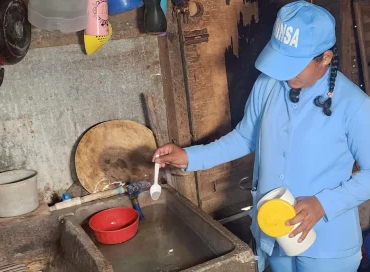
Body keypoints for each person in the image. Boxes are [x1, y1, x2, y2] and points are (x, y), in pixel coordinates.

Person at [152, 1, 370, 271]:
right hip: (274, 234)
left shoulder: (355, 105)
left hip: (328, 246)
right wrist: (189, 157)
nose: (284, 72)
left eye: (295, 64)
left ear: (325, 58)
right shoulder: (269, 84)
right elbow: (244, 138)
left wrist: (322, 205)